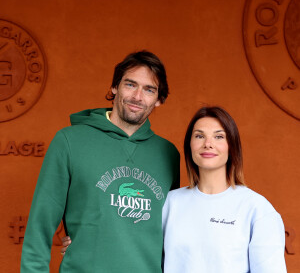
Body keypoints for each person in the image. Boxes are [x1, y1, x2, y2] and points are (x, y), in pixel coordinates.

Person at [21, 51, 180, 273]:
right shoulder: (70, 141)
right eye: (130, 84)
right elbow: (40, 227)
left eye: (149, 89)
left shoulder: (168, 154)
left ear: (159, 99)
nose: (137, 96)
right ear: (115, 87)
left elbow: (170, 235)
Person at [162, 106, 287, 272]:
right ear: (189, 145)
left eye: (219, 136)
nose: (208, 144)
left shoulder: (256, 208)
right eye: (199, 136)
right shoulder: (169, 203)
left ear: (232, 146)